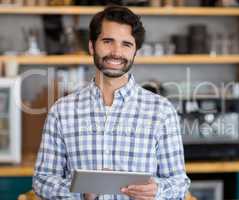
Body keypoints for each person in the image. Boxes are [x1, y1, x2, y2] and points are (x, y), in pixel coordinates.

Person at [33, 5, 190, 200]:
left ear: (135, 52)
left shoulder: (162, 111)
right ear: (92, 46)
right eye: (108, 41)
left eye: (126, 44)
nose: (116, 52)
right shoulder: (62, 111)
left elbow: (179, 184)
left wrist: (157, 190)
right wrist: (81, 192)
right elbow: (42, 180)